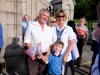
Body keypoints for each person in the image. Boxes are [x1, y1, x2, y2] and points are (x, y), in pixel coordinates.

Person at [24, 9, 53, 75]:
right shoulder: (31, 26)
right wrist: (36, 52)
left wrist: (47, 55)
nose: (45, 18)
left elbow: (50, 44)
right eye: (44, 15)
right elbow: (27, 41)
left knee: (43, 73)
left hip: (45, 55)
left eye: (47, 17)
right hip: (33, 55)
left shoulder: (49, 29)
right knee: (32, 73)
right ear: (39, 15)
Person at [52, 9, 75, 75]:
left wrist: (66, 55)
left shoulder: (69, 29)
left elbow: (71, 43)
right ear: (56, 17)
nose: (61, 18)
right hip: (54, 56)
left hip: (64, 57)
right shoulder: (52, 28)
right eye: (59, 16)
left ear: (65, 17)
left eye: (63, 16)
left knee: (63, 73)